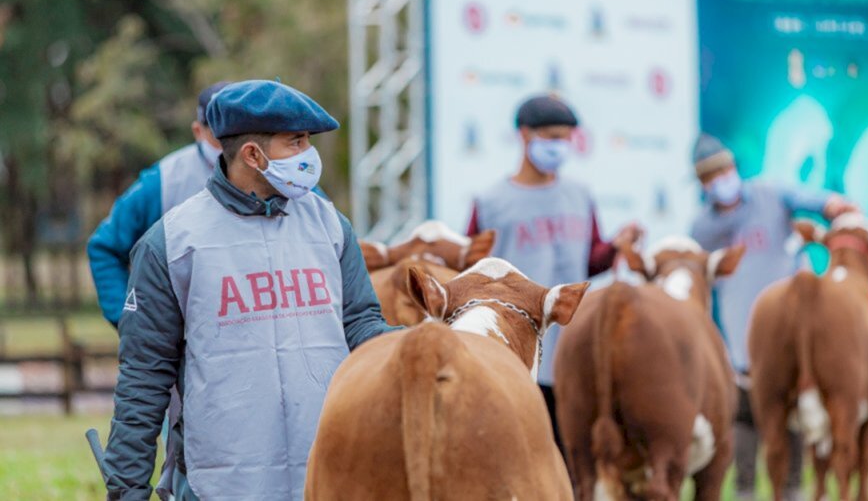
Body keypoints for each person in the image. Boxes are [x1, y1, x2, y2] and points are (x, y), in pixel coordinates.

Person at [102, 80, 398, 501]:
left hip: (327, 475)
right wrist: (127, 489)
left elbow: (362, 324)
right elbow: (144, 376)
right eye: (295, 143)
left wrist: (421, 341)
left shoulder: (330, 224)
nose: (308, 156)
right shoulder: (172, 242)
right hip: (222, 482)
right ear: (252, 155)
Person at [466, 93, 642, 452]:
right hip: (517, 352)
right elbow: (472, 269)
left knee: (573, 459)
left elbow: (589, 261)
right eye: (551, 137)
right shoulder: (491, 202)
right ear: (525, 135)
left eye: (565, 138)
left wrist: (616, 247)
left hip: (573, 350)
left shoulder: (580, 195)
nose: (559, 146)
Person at [690, 133, 857, 501]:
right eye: (711, 176)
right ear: (702, 184)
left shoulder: (771, 194)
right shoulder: (702, 230)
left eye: (726, 170)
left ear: (735, 168)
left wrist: (835, 206)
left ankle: (794, 490)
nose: (722, 180)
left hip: (791, 337)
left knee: (792, 417)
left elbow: (814, 199)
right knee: (745, 421)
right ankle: (746, 490)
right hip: (740, 343)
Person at [88, 81, 230, 326]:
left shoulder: (280, 175)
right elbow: (105, 248)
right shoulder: (164, 181)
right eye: (219, 134)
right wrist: (128, 321)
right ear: (198, 131)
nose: (229, 143)